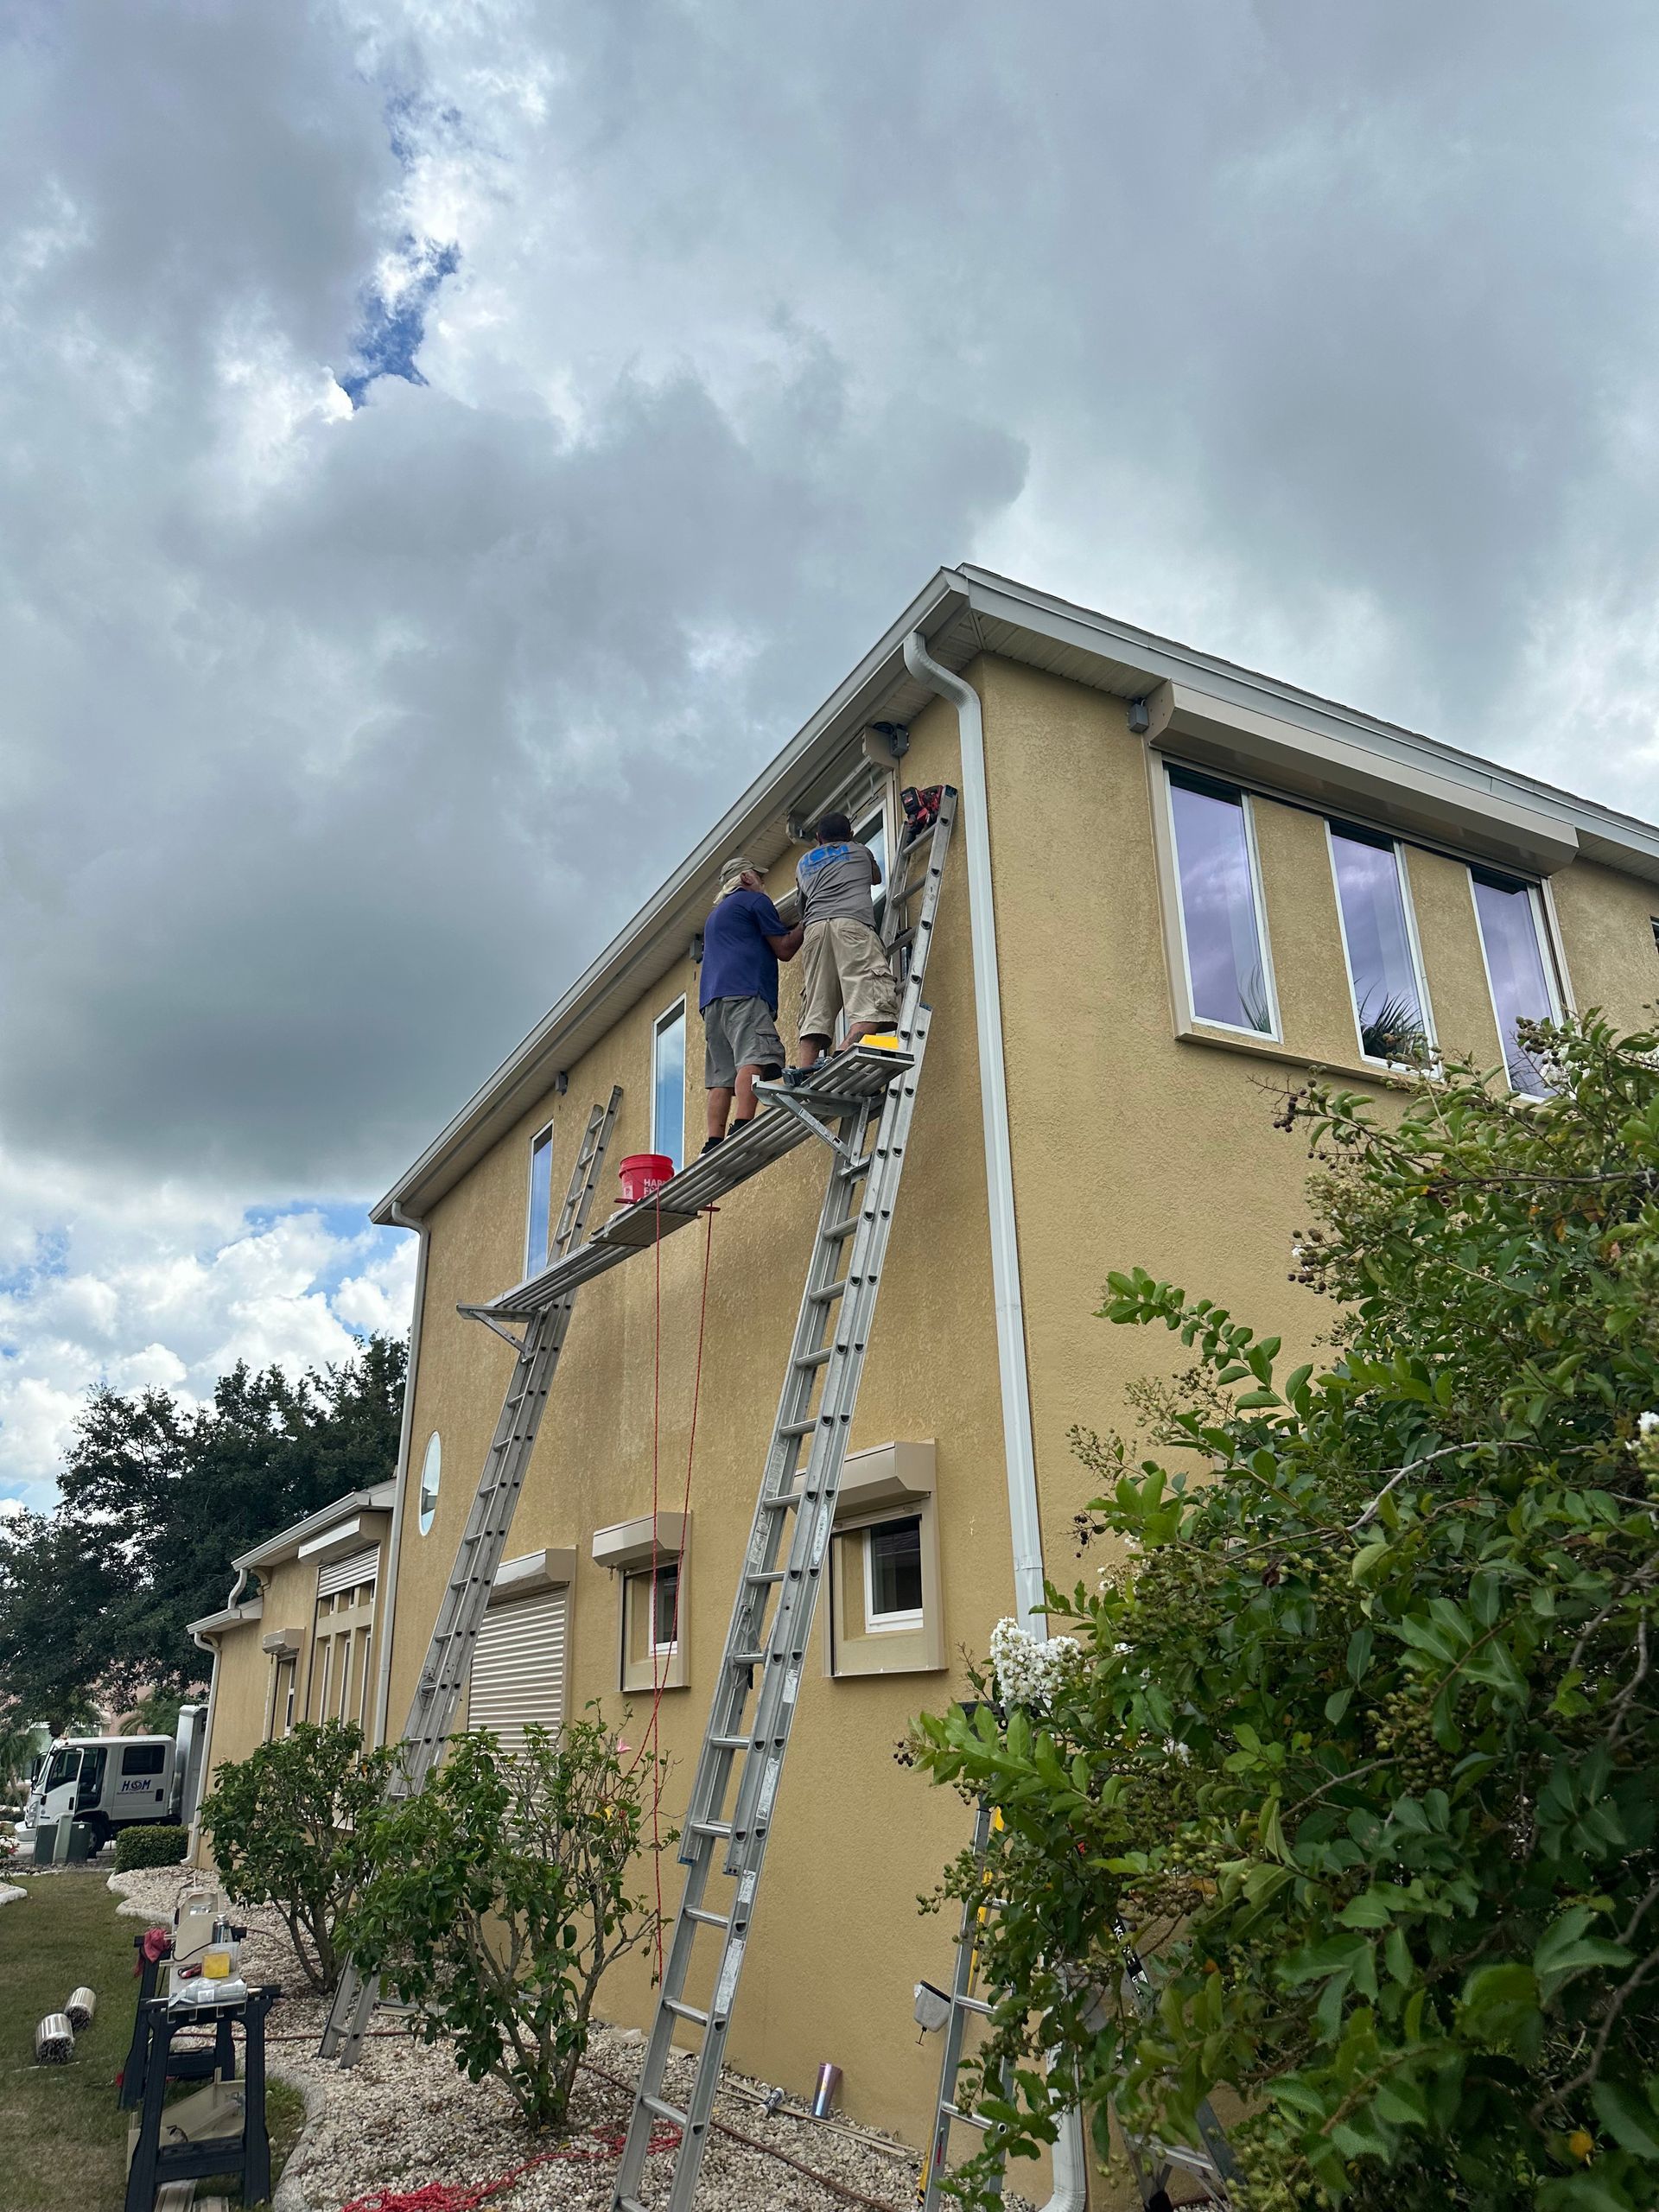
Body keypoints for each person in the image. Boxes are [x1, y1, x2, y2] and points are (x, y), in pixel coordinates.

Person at [699, 856, 803, 1153]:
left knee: (721, 1077)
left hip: (712, 1002)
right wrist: (807, 923)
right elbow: (783, 949)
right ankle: (744, 1123)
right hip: (745, 991)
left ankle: (713, 1141)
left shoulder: (715, 917)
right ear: (746, 877)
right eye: (759, 877)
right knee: (752, 1056)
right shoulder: (755, 902)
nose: (763, 883)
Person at [791, 810, 899, 1073]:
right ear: (850, 834)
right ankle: (843, 1052)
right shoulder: (859, 851)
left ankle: (804, 1071)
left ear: (818, 838)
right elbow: (876, 878)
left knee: (817, 1002)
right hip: (851, 926)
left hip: (815, 930)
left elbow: (802, 906)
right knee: (871, 1000)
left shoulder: (803, 863)